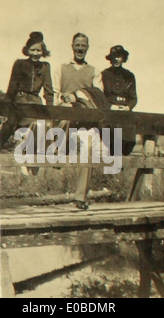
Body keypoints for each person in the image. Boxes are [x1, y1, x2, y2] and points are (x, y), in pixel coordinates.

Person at [53, 33, 104, 210]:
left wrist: (77, 98)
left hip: (84, 121)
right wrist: (64, 101)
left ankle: (80, 197)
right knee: (66, 115)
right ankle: (58, 151)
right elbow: (55, 94)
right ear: (72, 46)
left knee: (89, 148)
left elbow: (96, 98)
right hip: (65, 120)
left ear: (87, 47)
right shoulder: (62, 68)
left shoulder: (93, 71)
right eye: (77, 45)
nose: (80, 48)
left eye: (83, 45)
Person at [0, 31, 53, 175]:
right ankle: (3, 133)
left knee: (42, 126)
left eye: (38, 50)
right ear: (27, 50)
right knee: (20, 125)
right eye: (32, 50)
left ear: (43, 51)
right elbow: (12, 86)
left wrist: (51, 110)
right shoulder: (20, 64)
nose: (35, 53)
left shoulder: (45, 66)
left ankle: (31, 160)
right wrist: (6, 107)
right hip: (20, 100)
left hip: (35, 101)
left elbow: (48, 90)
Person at [101, 45, 137, 155]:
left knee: (129, 135)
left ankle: (121, 158)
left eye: (119, 56)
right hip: (110, 111)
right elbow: (101, 96)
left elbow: (133, 98)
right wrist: (110, 107)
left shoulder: (129, 76)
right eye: (114, 56)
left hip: (124, 112)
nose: (116, 59)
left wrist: (128, 107)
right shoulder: (104, 74)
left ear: (123, 58)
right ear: (110, 59)